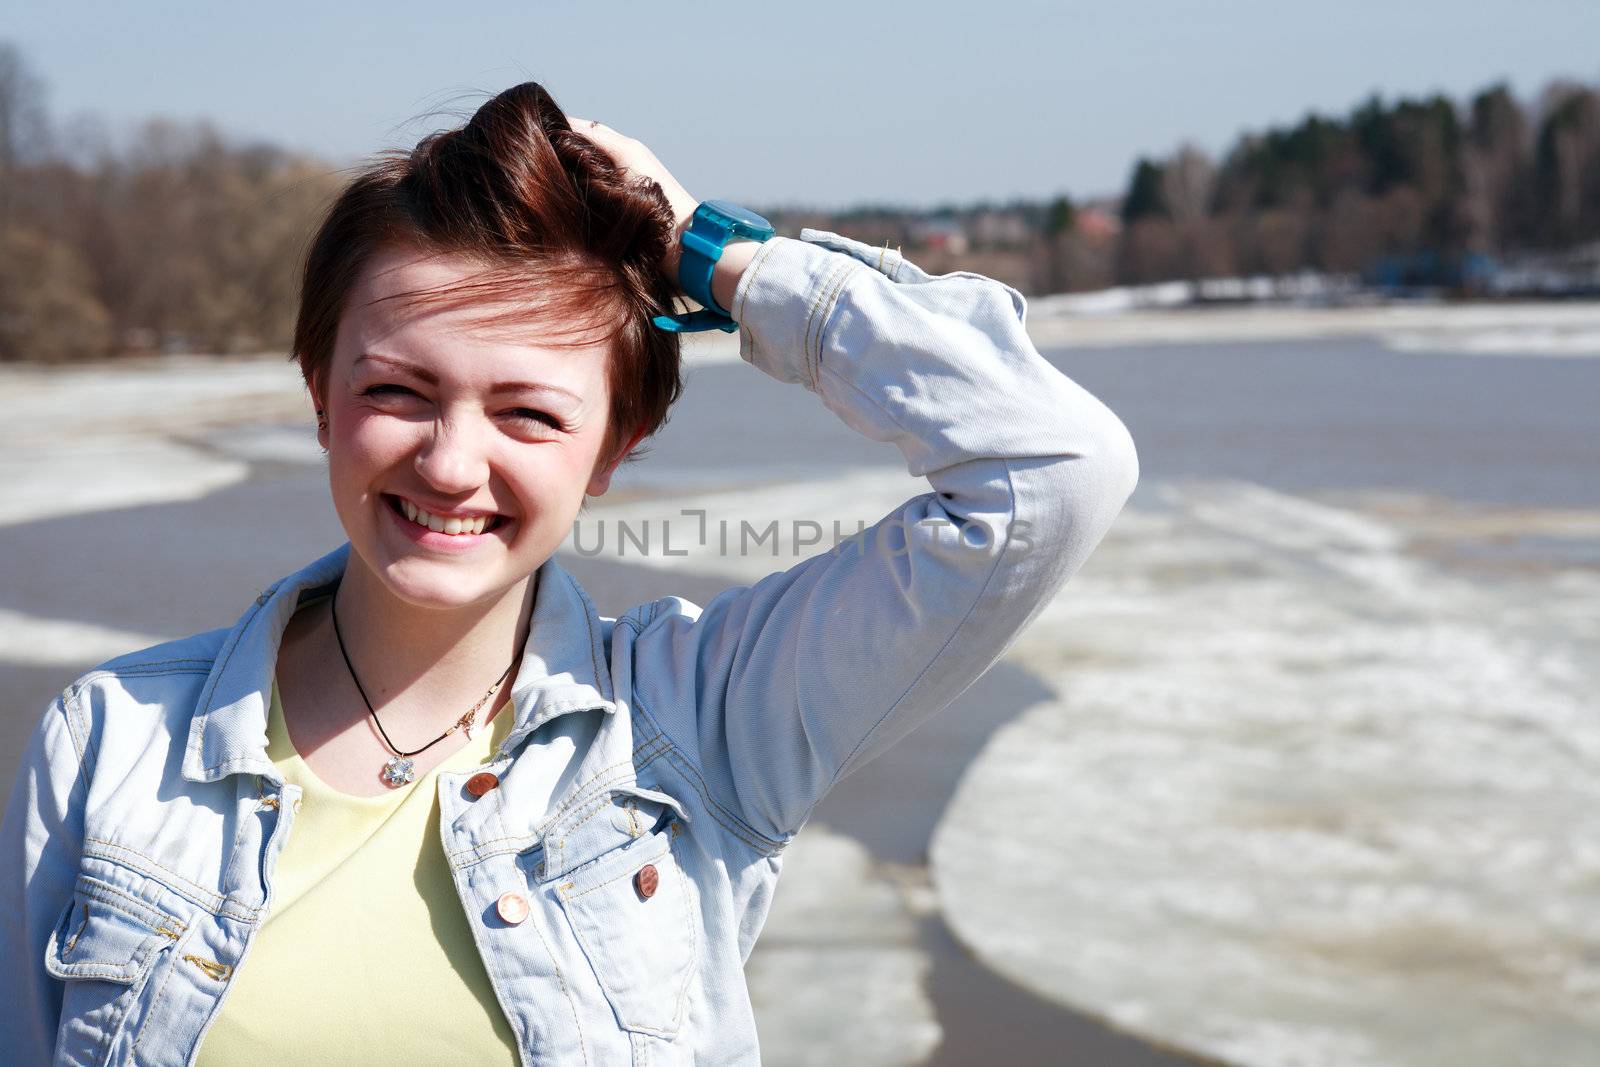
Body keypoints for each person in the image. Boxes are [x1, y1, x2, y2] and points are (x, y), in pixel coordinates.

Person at [0, 82, 1138, 1065]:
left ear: (615, 445)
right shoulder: (111, 747)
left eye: (529, 412)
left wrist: (709, 249)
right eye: (396, 389)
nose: (451, 463)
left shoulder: (699, 727)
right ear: (318, 388)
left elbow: (1050, 470)